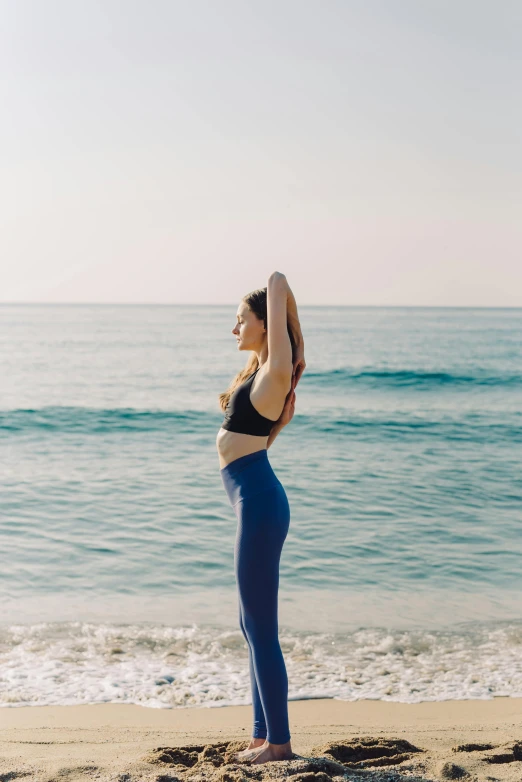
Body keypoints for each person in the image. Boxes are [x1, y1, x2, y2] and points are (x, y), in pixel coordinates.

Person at [216, 271, 306, 765]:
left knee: (261, 627)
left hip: (260, 505)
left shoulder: (274, 371)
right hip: (253, 499)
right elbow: (254, 442)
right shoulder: (260, 374)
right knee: (251, 626)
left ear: (263, 324)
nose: (234, 329)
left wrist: (292, 329)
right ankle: (261, 735)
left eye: (240, 320)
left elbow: (276, 279)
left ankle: (280, 745)